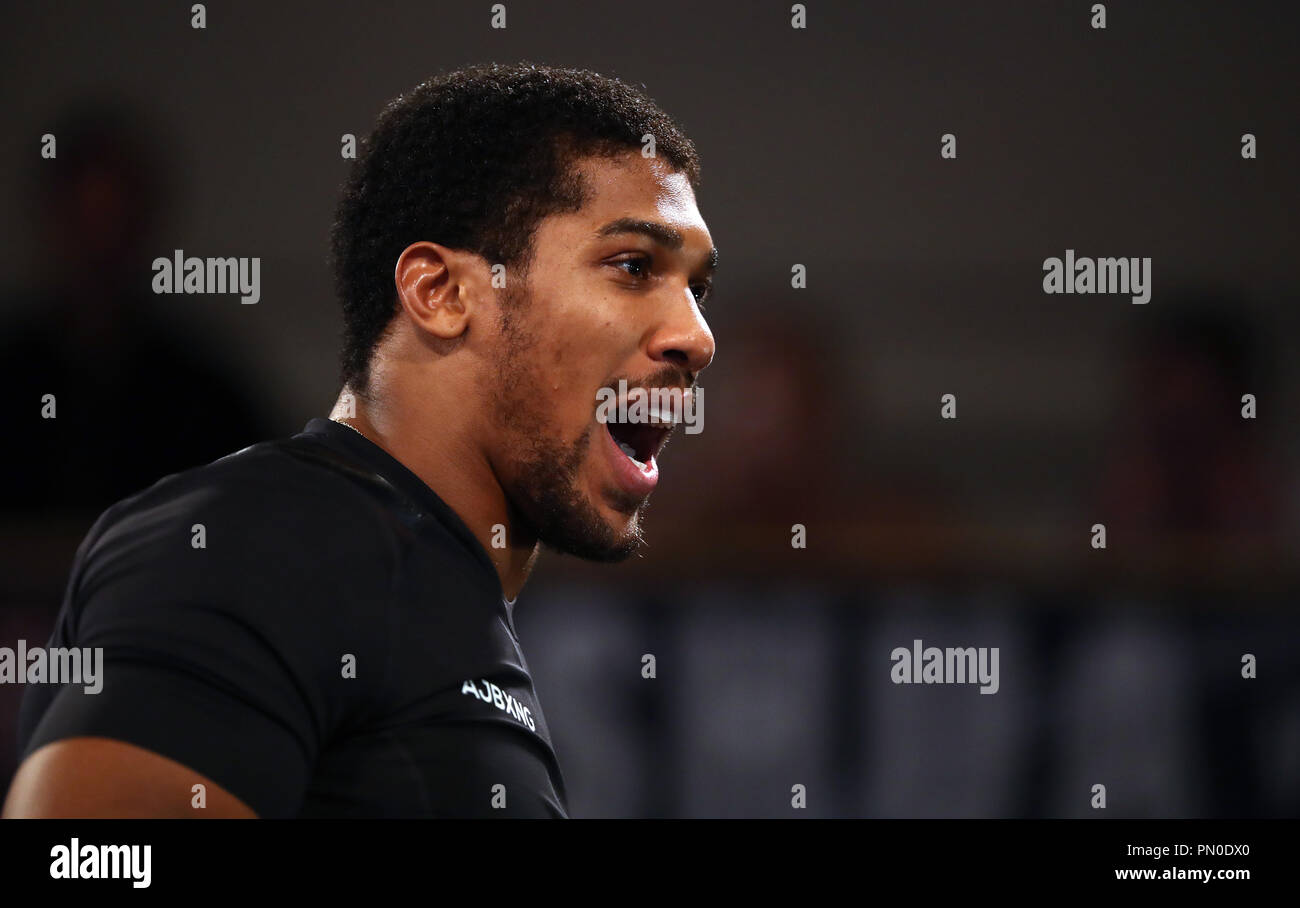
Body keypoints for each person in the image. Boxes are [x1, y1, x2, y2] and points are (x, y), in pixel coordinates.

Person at [3, 61, 717, 818]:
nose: (698, 337)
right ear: (440, 294)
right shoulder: (265, 539)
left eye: (697, 289)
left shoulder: (432, 595)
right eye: (634, 266)